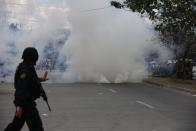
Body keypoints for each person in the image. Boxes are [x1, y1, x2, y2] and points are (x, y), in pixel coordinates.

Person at [4, 47, 48, 131]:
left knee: (15, 125)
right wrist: (19, 105)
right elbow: (21, 89)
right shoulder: (26, 70)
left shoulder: (26, 66)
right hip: (26, 104)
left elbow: (30, 81)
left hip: (25, 103)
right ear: (33, 57)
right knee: (36, 127)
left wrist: (41, 79)